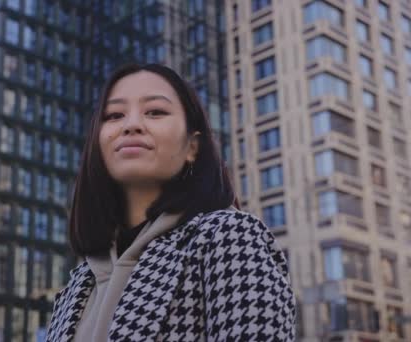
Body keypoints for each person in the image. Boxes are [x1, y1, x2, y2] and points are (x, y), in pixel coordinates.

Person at [46, 63, 295, 341]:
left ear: (192, 146)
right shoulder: (80, 280)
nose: (131, 125)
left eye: (155, 112)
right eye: (115, 115)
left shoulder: (227, 236)